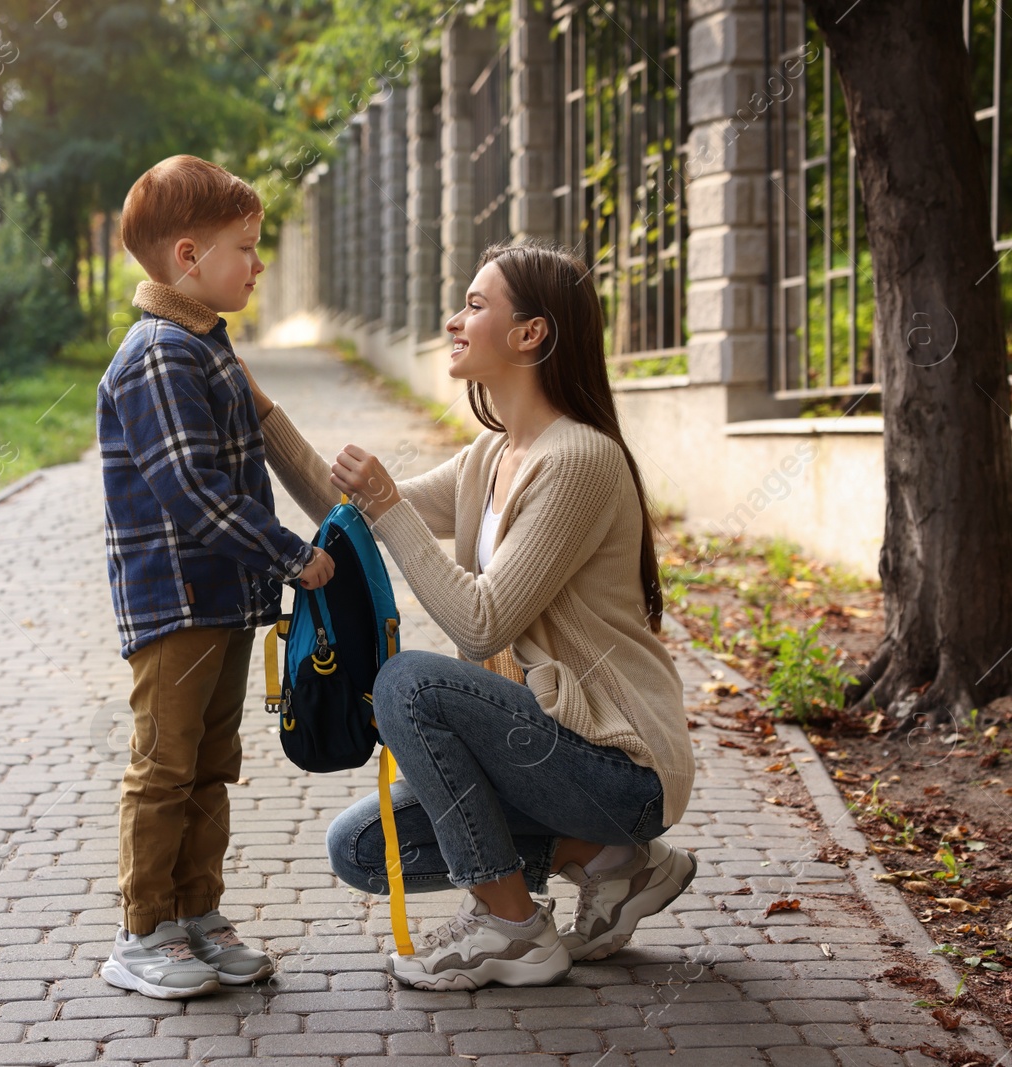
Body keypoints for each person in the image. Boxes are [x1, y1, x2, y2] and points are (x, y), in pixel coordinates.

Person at [240, 241, 698, 992]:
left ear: (531, 334)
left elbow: (481, 624)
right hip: (549, 751)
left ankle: (514, 928)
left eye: (476, 305)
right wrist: (257, 407)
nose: (454, 320)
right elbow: (345, 515)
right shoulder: (491, 456)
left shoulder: (579, 460)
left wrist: (388, 503)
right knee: (361, 847)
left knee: (409, 686)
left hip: (620, 765)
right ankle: (612, 861)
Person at [95, 154, 334, 999]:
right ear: (189, 256)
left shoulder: (203, 342)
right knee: (163, 766)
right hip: (176, 604)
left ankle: (196, 914)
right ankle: (143, 928)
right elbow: (193, 491)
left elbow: (260, 445)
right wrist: (292, 556)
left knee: (211, 763)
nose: (259, 262)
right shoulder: (159, 354)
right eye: (246, 246)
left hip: (223, 602)